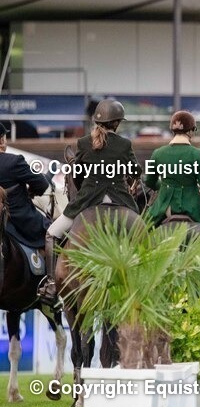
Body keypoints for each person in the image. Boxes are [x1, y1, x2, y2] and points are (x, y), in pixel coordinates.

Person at [40, 99, 141, 305]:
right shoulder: (124, 144)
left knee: (51, 234)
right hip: (119, 199)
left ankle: (51, 283)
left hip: (87, 201)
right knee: (141, 232)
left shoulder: (84, 142)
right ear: (117, 123)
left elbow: (77, 174)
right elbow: (134, 171)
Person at [141, 111, 200, 229]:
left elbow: (149, 181)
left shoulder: (158, 153)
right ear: (191, 131)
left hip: (164, 207)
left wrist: (163, 186)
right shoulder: (198, 155)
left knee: (141, 233)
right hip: (193, 208)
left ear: (172, 130)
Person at [0, 122, 51, 248]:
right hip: (19, 221)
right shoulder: (14, 161)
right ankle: (52, 268)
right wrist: (32, 191)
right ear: (1, 141)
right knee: (55, 235)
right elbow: (42, 184)